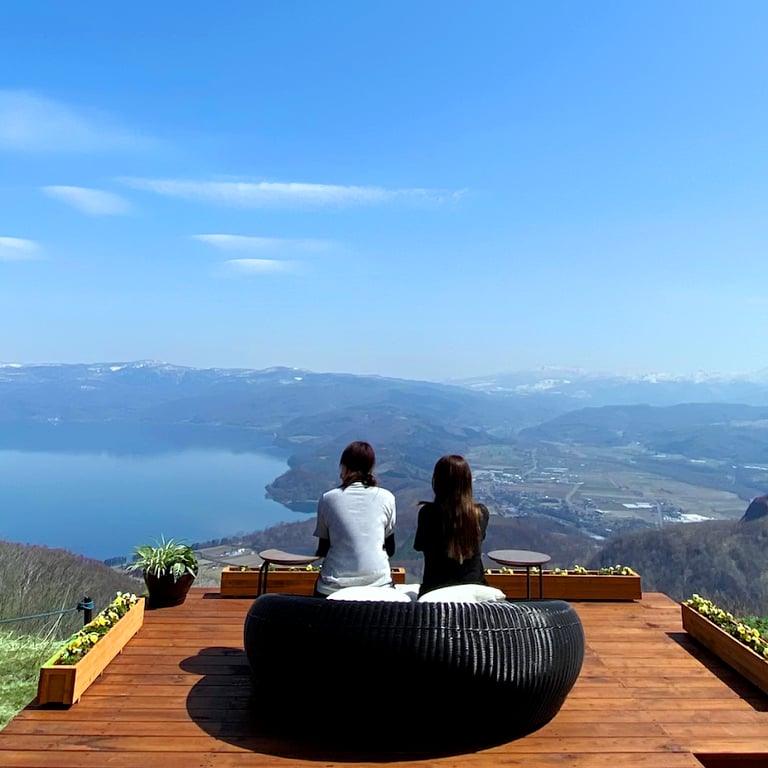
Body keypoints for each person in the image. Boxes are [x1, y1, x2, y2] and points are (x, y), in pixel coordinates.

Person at [312, 440, 397, 597]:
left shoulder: (328, 499)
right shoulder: (387, 498)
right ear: (371, 468)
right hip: (380, 586)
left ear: (344, 466)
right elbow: (390, 549)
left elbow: (323, 548)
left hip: (333, 588)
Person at [413, 454, 490, 597]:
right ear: (467, 482)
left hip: (434, 591)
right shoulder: (480, 513)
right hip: (475, 590)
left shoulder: (427, 513)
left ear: (437, 482)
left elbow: (419, 545)